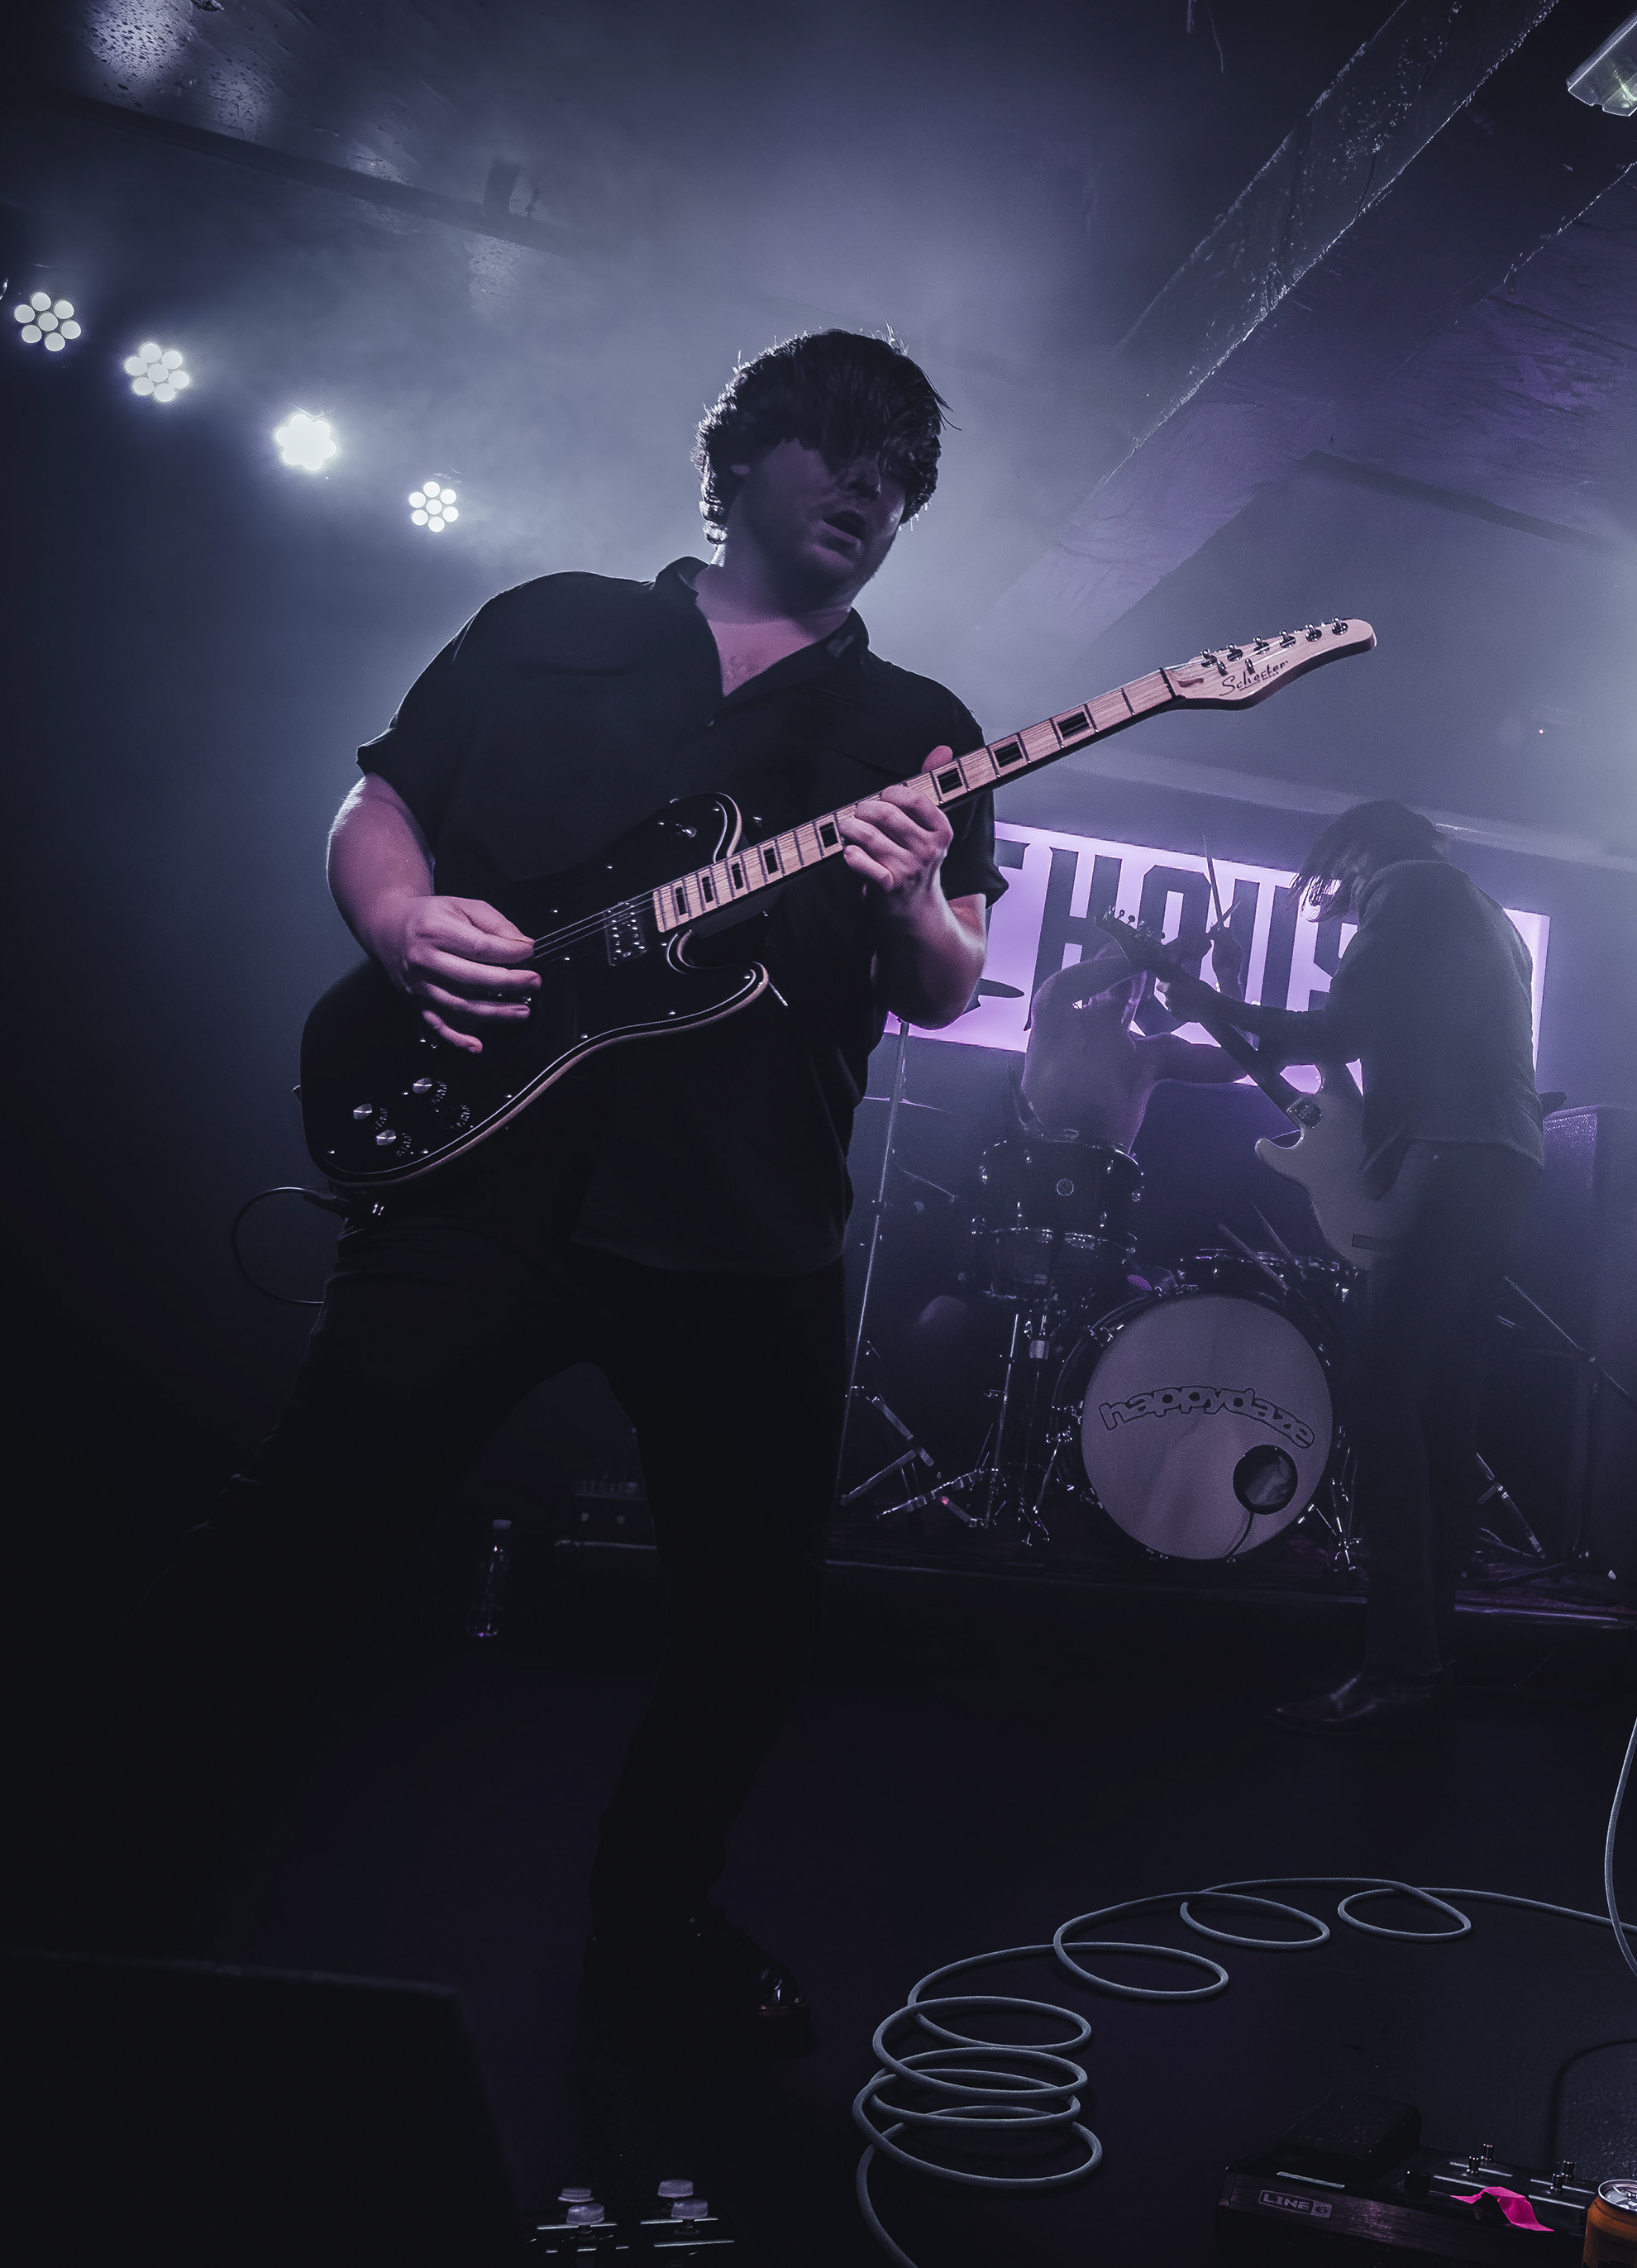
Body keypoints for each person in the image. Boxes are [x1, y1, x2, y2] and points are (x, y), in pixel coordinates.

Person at [121, 332, 1005, 2062]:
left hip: (748, 1215)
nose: (870, 488)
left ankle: (652, 1934)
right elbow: (381, 803)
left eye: (902, 475)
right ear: (739, 458)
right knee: (302, 1535)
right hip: (484, 1177)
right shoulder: (547, 625)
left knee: (749, 1618)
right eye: (839, 446)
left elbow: (949, 982)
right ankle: (142, 1860)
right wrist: (399, 922)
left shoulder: (920, 729)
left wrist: (913, 903)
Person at [1154, 801, 1544, 1737]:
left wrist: (1208, 1003)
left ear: (1365, 850)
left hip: (1449, 1161)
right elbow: (1361, 1040)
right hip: (1502, 1163)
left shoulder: (1404, 891)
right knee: (1441, 1411)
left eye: (1342, 866)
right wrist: (1226, 1003)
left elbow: (1334, 1035)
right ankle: (1429, 1656)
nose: (1335, 885)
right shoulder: (1479, 909)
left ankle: (1398, 1664)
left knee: (1380, 1396)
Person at [1020, 945, 1244, 1153]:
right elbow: (1058, 987)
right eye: (1113, 960)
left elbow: (1236, 1064)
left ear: (1146, 990)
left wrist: (1228, 978)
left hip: (1101, 1178)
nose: (1127, 972)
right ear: (1092, 978)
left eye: (1137, 968)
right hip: (1029, 1164)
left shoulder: (1153, 1053)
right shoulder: (1054, 1018)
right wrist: (1150, 958)